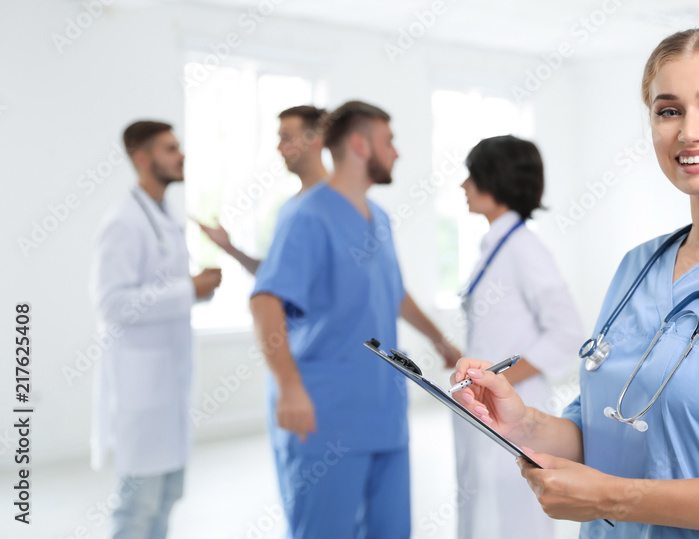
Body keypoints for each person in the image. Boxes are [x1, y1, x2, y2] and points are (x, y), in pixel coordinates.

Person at [451, 26, 699, 538]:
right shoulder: (638, 266)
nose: (689, 131)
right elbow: (598, 432)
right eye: (669, 111)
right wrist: (524, 423)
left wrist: (613, 498)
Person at [249, 100, 463, 539]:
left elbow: (395, 292)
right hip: (327, 412)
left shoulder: (378, 217)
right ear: (360, 145)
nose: (397, 152)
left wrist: (440, 341)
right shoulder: (306, 215)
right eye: (389, 141)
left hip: (383, 410)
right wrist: (289, 386)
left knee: (391, 530)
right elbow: (266, 301)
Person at [90, 121, 223, 539]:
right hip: (141, 390)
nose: (181, 155)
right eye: (170, 149)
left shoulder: (165, 216)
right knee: (137, 509)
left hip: (168, 386)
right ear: (143, 159)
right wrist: (188, 289)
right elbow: (111, 303)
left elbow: (161, 292)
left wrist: (198, 290)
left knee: (166, 499)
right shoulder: (123, 221)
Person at [454, 135, 583, 539]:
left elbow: (567, 331)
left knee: (517, 515)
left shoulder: (524, 248)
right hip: (485, 403)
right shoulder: (496, 243)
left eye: (471, 176)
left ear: (494, 180)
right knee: (485, 507)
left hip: (516, 403)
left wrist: (498, 381)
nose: (463, 185)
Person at [195, 105, 328, 275]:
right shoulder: (289, 208)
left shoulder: (338, 204)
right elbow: (273, 275)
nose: (279, 148)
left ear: (315, 141)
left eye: (286, 138)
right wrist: (229, 248)